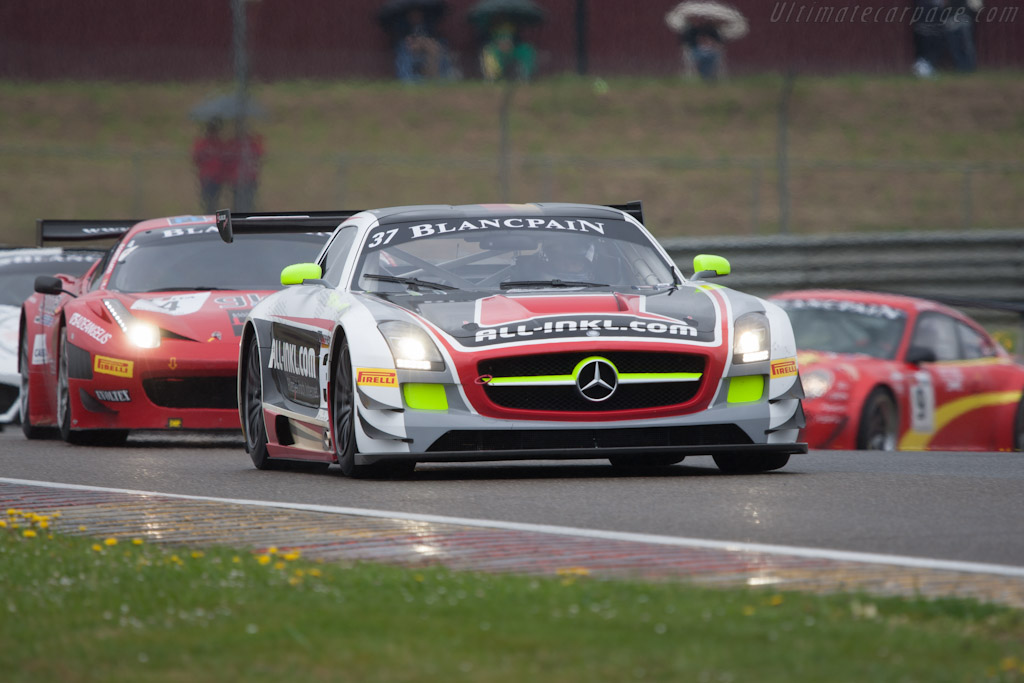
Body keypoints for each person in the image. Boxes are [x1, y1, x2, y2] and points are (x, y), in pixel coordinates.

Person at [391, 8, 455, 83]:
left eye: (418, 14)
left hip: (428, 49)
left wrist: (425, 44)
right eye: (412, 14)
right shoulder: (403, 33)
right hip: (409, 53)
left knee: (435, 50)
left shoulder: (430, 29)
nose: (415, 16)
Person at [191, 118, 230, 214]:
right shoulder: (202, 144)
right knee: (207, 200)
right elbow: (196, 158)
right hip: (207, 177)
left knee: (215, 200)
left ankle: (213, 213)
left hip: (217, 178)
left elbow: (225, 159)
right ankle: (208, 213)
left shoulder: (220, 144)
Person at [226, 127, 264, 213]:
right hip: (236, 179)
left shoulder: (252, 144)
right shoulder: (233, 144)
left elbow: (259, 155)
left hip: (249, 178)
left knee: (249, 199)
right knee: (237, 200)